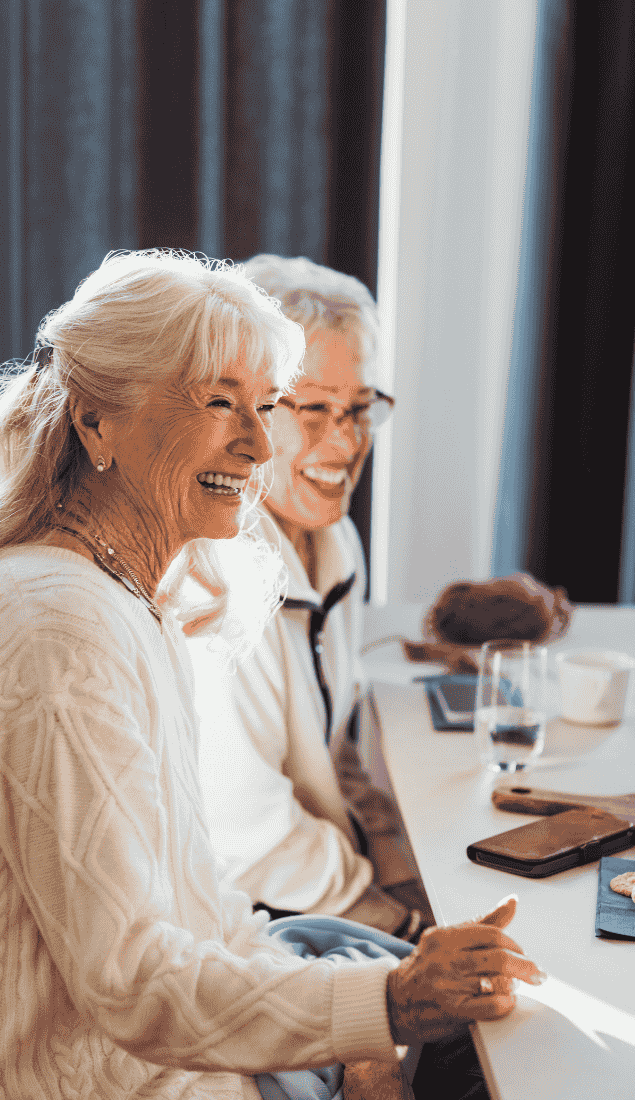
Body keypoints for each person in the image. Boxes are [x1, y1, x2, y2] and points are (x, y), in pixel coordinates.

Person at [0, 250, 544, 1100]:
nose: (260, 442)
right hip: (88, 1082)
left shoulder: (126, 598)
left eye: (265, 406)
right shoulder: (58, 630)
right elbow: (134, 979)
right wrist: (391, 1003)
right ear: (96, 423)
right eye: (219, 402)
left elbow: (200, 905)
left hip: (147, 1057)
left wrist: (374, 1016)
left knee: (484, 1033)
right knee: (491, 1062)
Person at [190, 254, 431, 939]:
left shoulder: (334, 544)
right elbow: (253, 837)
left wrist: (395, 864)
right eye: (317, 409)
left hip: (315, 896)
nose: (348, 441)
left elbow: (332, 753)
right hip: (237, 926)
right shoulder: (219, 576)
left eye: (359, 409)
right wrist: (402, 923)